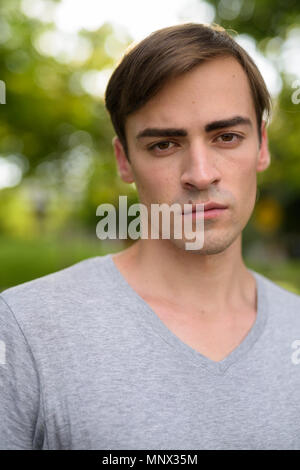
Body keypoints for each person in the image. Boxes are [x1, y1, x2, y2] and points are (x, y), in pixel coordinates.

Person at [1, 23, 300, 451]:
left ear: (262, 145)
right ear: (124, 161)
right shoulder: (25, 330)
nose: (200, 174)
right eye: (164, 145)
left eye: (227, 137)